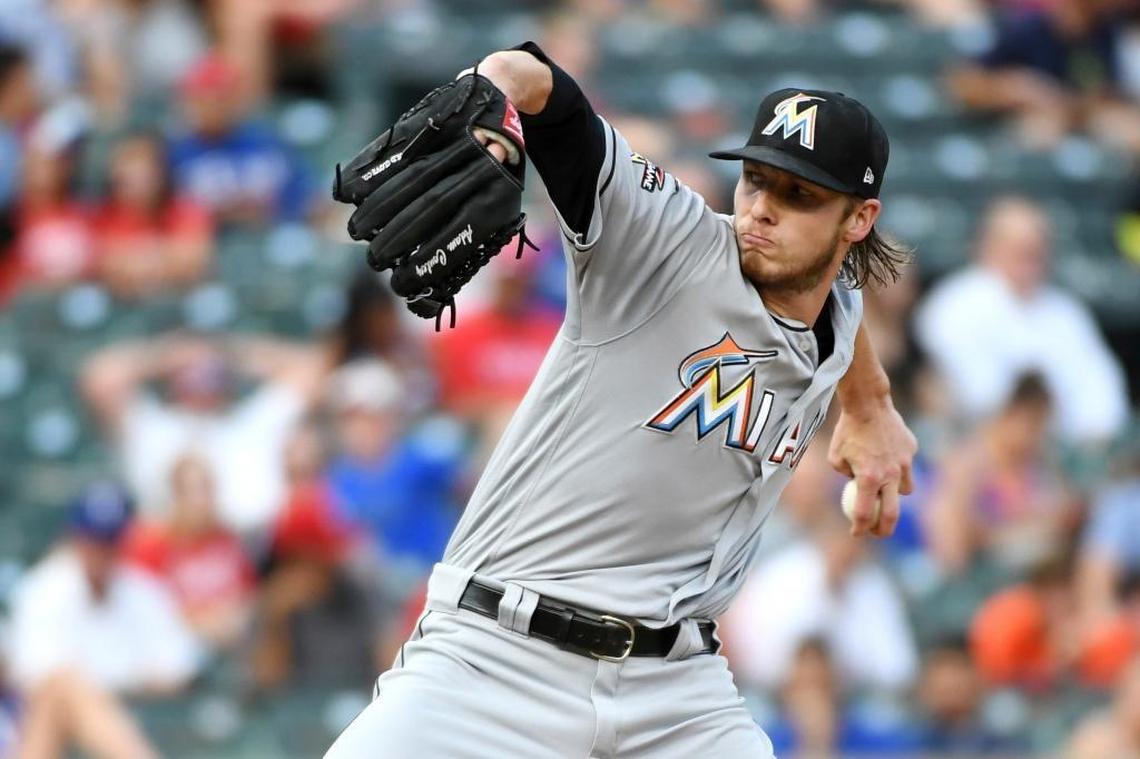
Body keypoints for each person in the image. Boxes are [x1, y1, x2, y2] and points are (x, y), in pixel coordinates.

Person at [325, 42, 917, 757]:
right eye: (757, 180)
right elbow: (550, 95)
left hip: (678, 695)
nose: (763, 209)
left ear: (858, 220)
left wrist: (871, 406)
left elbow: (840, 309)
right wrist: (501, 80)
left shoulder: (838, 309)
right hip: (497, 662)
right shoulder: (665, 244)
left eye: (801, 196)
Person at [915, 196, 1128, 445]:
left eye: (1037, 249)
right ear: (988, 244)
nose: (1030, 260)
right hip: (980, 449)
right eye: (1020, 248)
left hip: (1068, 453)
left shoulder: (1066, 311)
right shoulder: (955, 303)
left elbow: (1102, 390)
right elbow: (979, 395)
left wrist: (1092, 437)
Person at [81, 332, 325, 532]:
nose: (202, 381)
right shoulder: (152, 427)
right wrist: (166, 357)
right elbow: (101, 378)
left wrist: (233, 355)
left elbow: (316, 369)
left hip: (255, 554)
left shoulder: (250, 423)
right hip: (173, 556)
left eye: (210, 372)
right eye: (193, 373)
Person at [7, 483, 201, 695]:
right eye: (94, 541)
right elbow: (37, 675)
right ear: (75, 538)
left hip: (138, 712)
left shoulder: (144, 588)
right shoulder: (42, 590)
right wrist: (134, 679)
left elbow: (179, 666)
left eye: (110, 541)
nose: (102, 552)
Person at [123, 453, 256, 650]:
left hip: (232, 643)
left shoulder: (226, 537)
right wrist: (199, 622)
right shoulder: (151, 545)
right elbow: (142, 611)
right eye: (191, 491)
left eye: (207, 489)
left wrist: (234, 616)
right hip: (173, 649)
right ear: (174, 495)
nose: (201, 501)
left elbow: (249, 593)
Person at [91, 131, 213, 299]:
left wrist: (134, 260)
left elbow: (192, 262)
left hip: (180, 303)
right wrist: (163, 256)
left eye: (145, 162)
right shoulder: (101, 214)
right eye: (129, 160)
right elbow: (105, 266)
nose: (138, 171)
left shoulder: (185, 208)